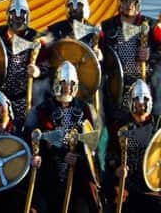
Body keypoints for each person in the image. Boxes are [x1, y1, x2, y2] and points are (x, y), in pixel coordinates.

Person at [30, 61, 100, 213]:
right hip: (53, 166)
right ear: (57, 83)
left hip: (78, 167)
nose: (67, 87)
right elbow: (45, 136)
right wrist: (62, 154)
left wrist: (79, 156)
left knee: (87, 200)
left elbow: (90, 141)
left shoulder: (83, 108)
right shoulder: (45, 108)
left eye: (71, 83)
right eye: (63, 82)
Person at [101, 0, 159, 118]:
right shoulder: (108, 27)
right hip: (115, 87)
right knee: (116, 125)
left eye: (133, 1)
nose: (129, 5)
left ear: (138, 3)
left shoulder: (150, 26)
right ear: (120, 2)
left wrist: (151, 54)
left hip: (143, 89)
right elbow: (100, 54)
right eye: (126, 1)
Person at [106, 80, 161, 211]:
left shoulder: (159, 126)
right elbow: (110, 157)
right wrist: (117, 169)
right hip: (129, 189)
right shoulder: (119, 127)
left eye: (144, 100)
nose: (141, 104)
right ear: (131, 102)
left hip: (154, 190)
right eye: (137, 100)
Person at [0, 0, 43, 130]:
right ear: (8, 15)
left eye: (21, 14)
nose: (18, 17)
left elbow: (48, 64)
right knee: (0, 131)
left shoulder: (34, 37)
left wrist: (38, 71)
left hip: (22, 97)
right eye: (14, 13)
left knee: (22, 131)